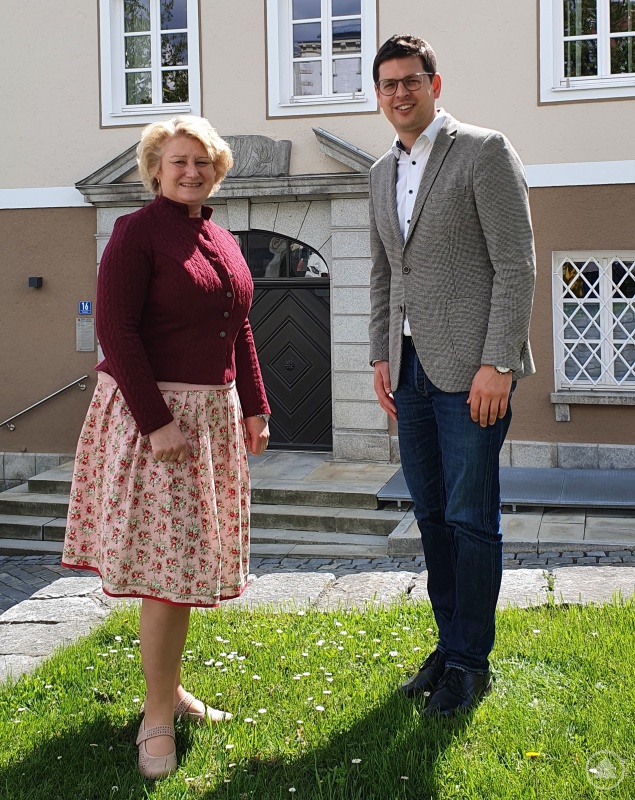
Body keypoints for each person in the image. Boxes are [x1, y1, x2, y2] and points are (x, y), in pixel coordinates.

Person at [61, 115, 271, 777]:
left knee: (182, 575)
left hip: (212, 418)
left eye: (202, 162)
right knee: (165, 577)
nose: (190, 171)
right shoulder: (135, 233)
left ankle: (169, 691)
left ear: (217, 169)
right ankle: (156, 714)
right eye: (178, 161)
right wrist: (156, 423)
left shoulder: (221, 238)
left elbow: (238, 328)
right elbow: (117, 333)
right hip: (154, 421)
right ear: (155, 169)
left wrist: (257, 406)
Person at [368, 35, 535, 716]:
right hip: (408, 373)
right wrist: (380, 354)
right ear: (377, 95)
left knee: (471, 519)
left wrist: (498, 362)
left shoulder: (483, 151)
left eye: (410, 80)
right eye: (386, 85)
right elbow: (385, 269)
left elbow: (516, 264)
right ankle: (449, 644)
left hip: (472, 374)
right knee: (431, 516)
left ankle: (470, 663)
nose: (399, 94)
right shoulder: (380, 170)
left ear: (435, 83)